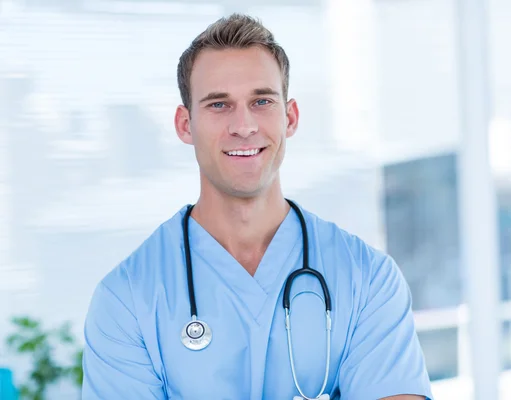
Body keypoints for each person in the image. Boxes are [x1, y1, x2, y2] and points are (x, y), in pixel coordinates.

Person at [82, 13, 434, 400]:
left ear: (290, 117)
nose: (244, 125)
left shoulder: (367, 279)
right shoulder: (127, 299)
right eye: (219, 105)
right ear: (185, 124)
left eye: (261, 100)